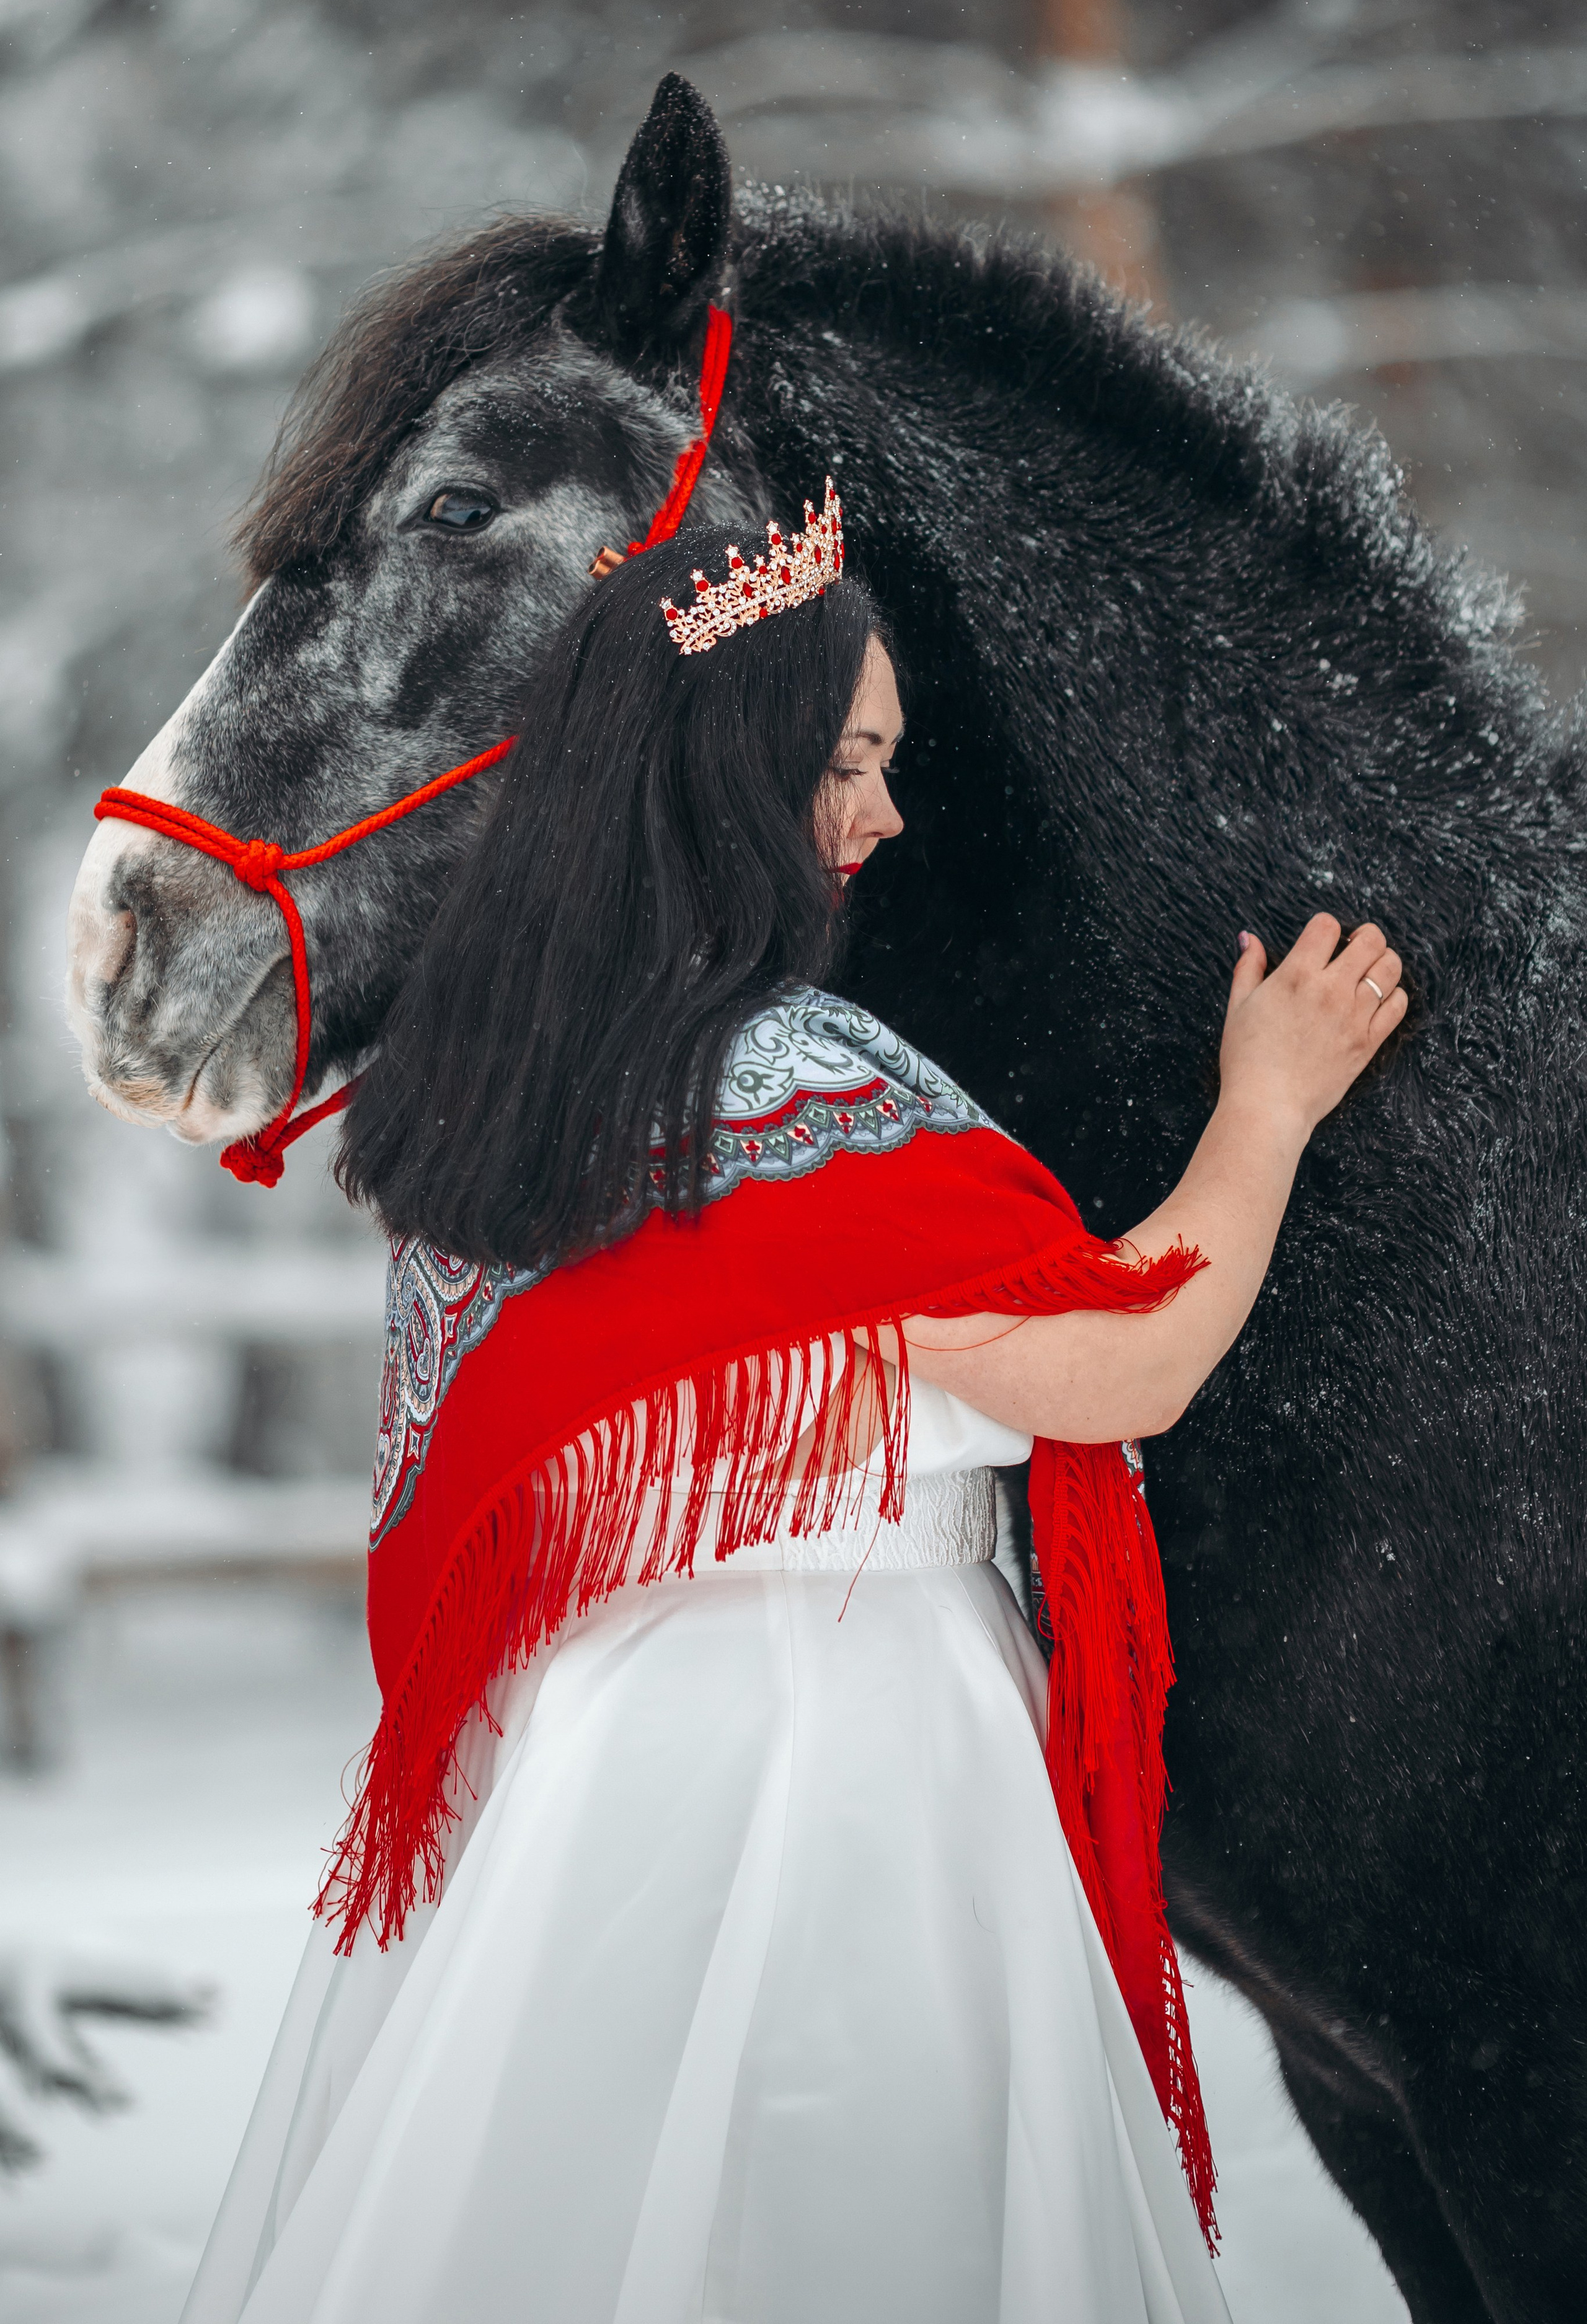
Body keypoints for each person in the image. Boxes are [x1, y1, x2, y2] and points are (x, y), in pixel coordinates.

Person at [181, 483, 1405, 2324]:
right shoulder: (797, 1085)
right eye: (846, 761)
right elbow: (1128, 1359)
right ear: (728, 770)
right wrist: (1272, 1106)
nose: (884, 815)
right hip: (840, 1757)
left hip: (589, 1760)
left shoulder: (511, 1093)